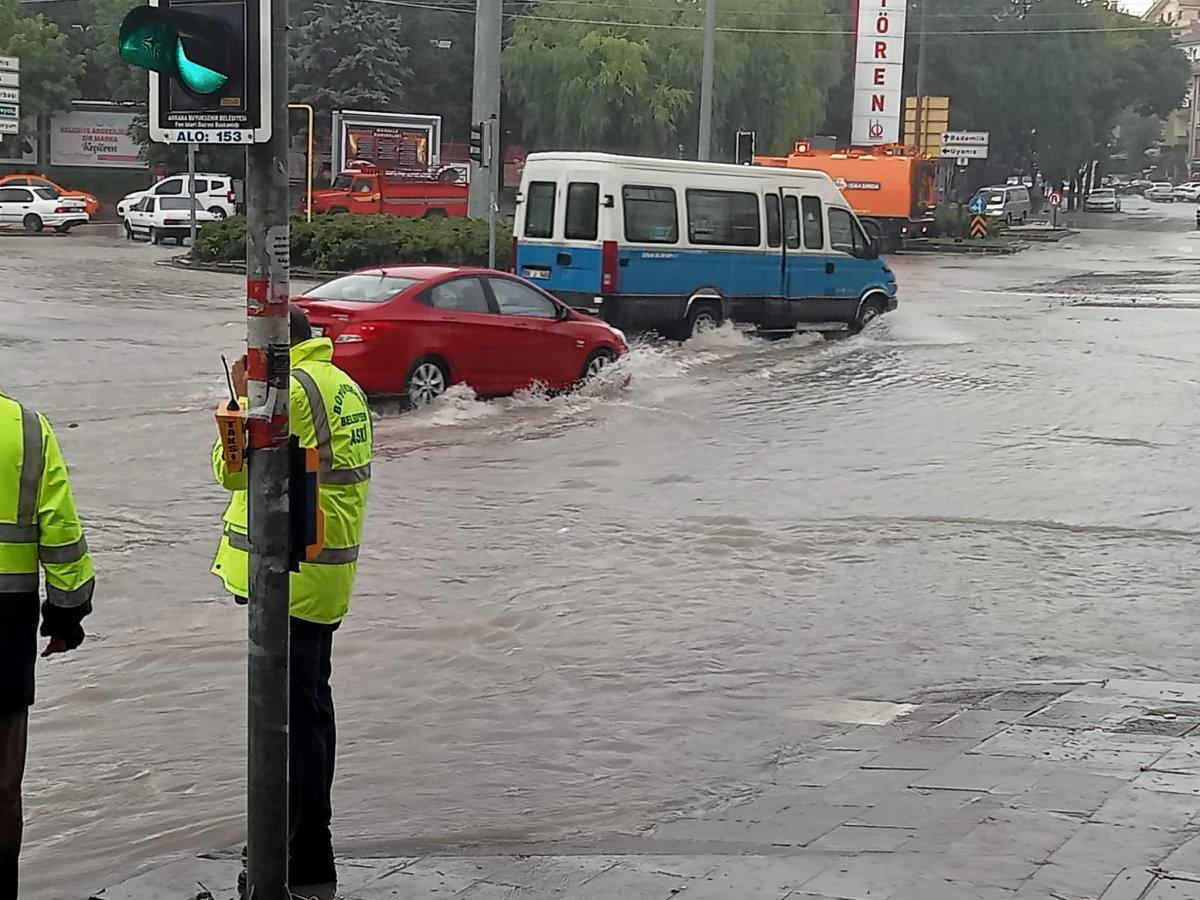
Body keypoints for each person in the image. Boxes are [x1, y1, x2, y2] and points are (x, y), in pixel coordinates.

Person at [211, 307, 372, 900]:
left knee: (288, 721)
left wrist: (236, 405)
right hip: (326, 574)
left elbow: (237, 475)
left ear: (275, 347)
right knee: (309, 711)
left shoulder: (284, 392)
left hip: (287, 577)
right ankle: (308, 848)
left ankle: (294, 852)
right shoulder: (342, 385)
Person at [0, 389, 95, 899]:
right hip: (5, 625)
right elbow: (60, 535)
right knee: (2, 787)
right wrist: (65, 616)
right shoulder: (28, 428)